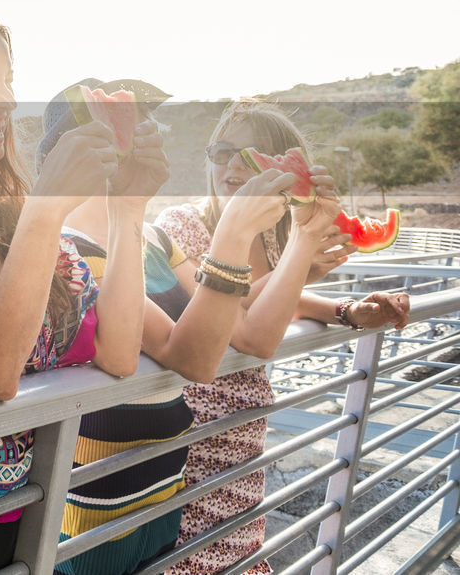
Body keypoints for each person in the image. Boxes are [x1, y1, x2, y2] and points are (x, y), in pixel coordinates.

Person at [0, 6, 175, 575]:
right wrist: (47, 209)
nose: (5, 100)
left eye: (8, 81)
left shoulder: (14, 218)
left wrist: (129, 210)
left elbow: (120, 351)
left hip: (26, 512)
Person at [35, 79, 309, 575]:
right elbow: (193, 358)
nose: (146, 137)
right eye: (126, 129)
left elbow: (237, 312)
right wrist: (233, 233)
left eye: (144, 125)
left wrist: (316, 267)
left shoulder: (152, 236)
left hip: (163, 488)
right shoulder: (68, 250)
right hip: (97, 504)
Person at [155, 98, 411, 575]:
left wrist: (346, 310)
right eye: (222, 151)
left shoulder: (273, 234)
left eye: (254, 156)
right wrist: (304, 248)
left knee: (241, 553)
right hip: (193, 430)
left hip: (247, 424)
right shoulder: (181, 226)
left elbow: (254, 301)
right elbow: (252, 335)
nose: (234, 166)